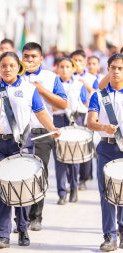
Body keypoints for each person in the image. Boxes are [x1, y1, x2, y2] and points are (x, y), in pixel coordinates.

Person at [0, 51, 59, 249]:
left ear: (18, 67)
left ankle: (22, 228)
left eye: (11, 66)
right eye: (3, 65)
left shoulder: (30, 89)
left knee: (21, 187)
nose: (7, 69)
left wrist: (52, 129)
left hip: (21, 144)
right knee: (2, 188)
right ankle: (2, 234)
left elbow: (41, 113)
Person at [21, 42, 67, 231]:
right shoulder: (13, 74)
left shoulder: (50, 77)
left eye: (33, 56)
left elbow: (63, 103)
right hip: (19, 133)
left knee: (39, 174)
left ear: (41, 59)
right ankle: (20, 218)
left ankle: (36, 216)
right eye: (26, 56)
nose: (29, 60)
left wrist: (42, 90)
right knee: (20, 175)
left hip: (42, 131)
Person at [87, 53, 123, 251]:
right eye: (113, 68)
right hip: (106, 148)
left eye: (120, 68)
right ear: (107, 70)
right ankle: (109, 236)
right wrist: (104, 127)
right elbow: (90, 122)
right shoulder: (98, 95)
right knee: (106, 193)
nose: (116, 71)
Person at [52, 57, 88, 204]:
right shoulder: (53, 84)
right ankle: (61, 193)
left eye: (68, 67)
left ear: (73, 68)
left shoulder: (79, 84)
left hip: (75, 119)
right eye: (62, 67)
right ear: (57, 68)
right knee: (59, 157)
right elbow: (51, 104)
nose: (65, 69)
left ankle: (73, 188)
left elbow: (85, 102)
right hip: (58, 120)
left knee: (74, 158)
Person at [71, 49, 97, 191]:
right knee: (72, 147)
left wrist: (84, 84)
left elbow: (96, 94)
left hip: (85, 116)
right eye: (74, 60)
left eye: (80, 61)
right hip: (72, 116)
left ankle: (83, 178)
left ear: (85, 62)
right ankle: (72, 179)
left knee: (85, 147)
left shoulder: (92, 78)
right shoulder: (67, 76)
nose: (77, 63)